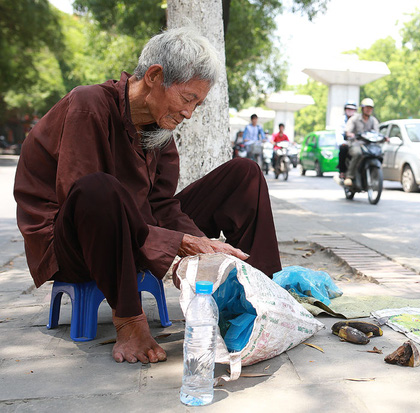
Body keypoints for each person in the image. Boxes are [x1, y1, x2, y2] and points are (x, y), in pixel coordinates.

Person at [13, 27, 282, 365]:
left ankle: (262, 300)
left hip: (135, 232)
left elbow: (162, 205)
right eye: (187, 99)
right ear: (155, 76)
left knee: (244, 174)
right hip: (74, 242)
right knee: (101, 188)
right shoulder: (89, 104)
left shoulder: (159, 128)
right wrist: (177, 243)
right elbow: (81, 198)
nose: (188, 114)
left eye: (196, 105)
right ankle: (128, 320)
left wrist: (201, 244)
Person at [343, 98, 380, 186]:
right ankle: (349, 176)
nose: (368, 110)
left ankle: (375, 175)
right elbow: (348, 131)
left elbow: (377, 133)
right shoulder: (354, 119)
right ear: (362, 108)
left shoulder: (373, 120)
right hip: (356, 143)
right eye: (367, 108)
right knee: (358, 153)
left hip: (369, 145)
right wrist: (350, 134)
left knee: (379, 153)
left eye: (370, 108)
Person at [336, 101, 358, 179]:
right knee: (343, 148)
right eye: (348, 109)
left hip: (357, 143)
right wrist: (342, 142)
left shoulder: (358, 119)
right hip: (347, 142)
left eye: (352, 109)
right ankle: (342, 171)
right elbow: (339, 133)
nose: (350, 110)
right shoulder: (341, 120)